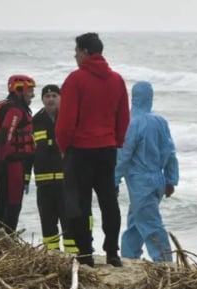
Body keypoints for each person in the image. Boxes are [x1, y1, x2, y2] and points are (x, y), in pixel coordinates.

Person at [56, 32, 130, 267]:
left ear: (86, 52)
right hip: (107, 148)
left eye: (76, 50)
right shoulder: (117, 80)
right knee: (108, 200)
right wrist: (116, 141)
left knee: (80, 202)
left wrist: (62, 145)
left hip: (80, 149)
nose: (74, 55)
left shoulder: (76, 79)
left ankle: (85, 253)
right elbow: (123, 117)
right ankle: (112, 252)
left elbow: (66, 120)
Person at [115, 81, 178, 263]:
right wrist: (171, 179)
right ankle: (129, 256)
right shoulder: (160, 121)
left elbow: (124, 155)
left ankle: (164, 261)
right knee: (136, 221)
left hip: (139, 181)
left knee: (150, 224)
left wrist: (114, 179)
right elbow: (170, 152)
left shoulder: (131, 122)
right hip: (158, 178)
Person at [0, 75, 36, 237]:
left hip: (5, 164)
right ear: (20, 90)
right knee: (13, 204)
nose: (33, 95)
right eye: (30, 91)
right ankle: (7, 238)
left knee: (1, 203)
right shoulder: (15, 111)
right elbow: (5, 137)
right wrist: (1, 164)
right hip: (12, 164)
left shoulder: (7, 107)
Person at [31, 84, 77, 253]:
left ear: (61, 98)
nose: (50, 99)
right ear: (42, 99)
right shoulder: (35, 121)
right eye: (47, 96)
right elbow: (30, 152)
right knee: (48, 222)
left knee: (69, 221)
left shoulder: (69, 118)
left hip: (66, 182)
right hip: (44, 184)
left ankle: (73, 254)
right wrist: (25, 177)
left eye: (54, 96)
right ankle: (52, 255)